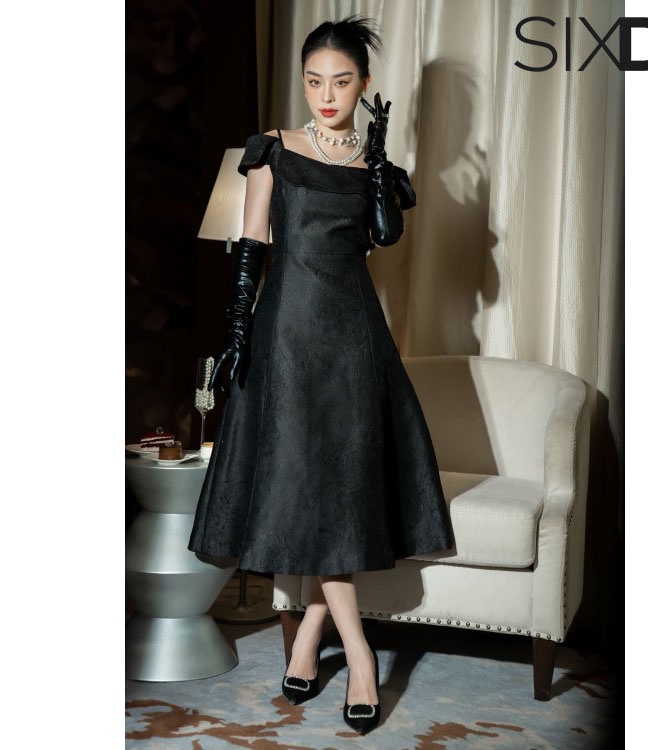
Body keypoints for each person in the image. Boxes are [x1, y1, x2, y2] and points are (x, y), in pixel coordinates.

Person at [188, 15, 453, 735]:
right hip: (287, 337)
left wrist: (378, 162)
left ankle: (308, 637)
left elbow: (385, 236)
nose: (326, 96)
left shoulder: (374, 163)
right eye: (313, 82)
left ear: (363, 85)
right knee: (310, 486)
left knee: (338, 490)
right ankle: (360, 658)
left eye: (340, 82)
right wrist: (236, 333)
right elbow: (252, 244)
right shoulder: (272, 149)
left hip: (356, 339)